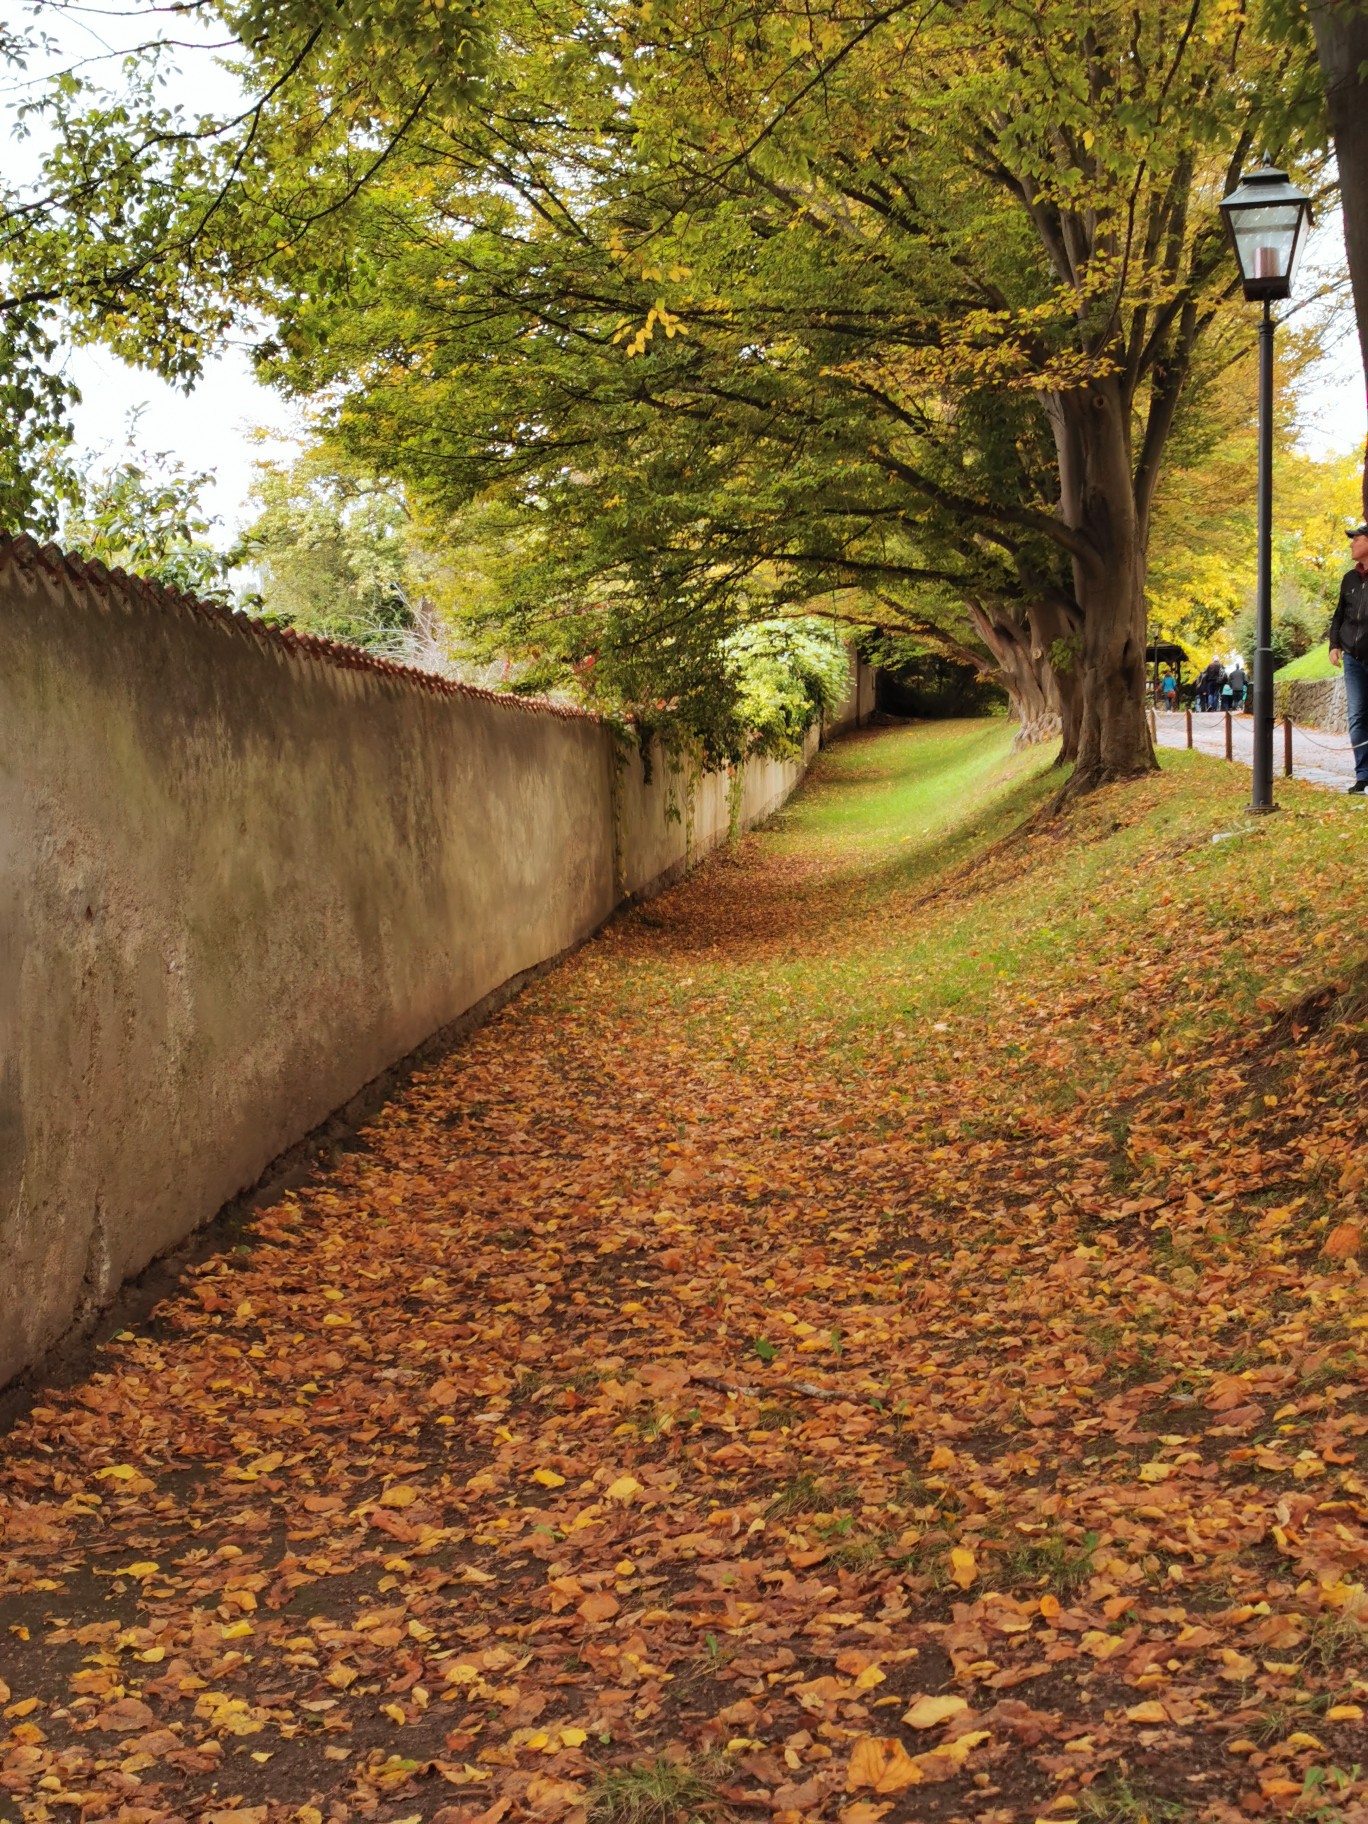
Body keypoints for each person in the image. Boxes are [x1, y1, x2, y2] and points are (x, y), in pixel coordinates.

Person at [1329, 523, 1368, 794]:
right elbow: (1339, 615)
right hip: (1352, 658)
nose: (1351, 544)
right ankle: (1363, 775)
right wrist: (1334, 645)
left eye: (1356, 539)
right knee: (1356, 715)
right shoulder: (1349, 579)